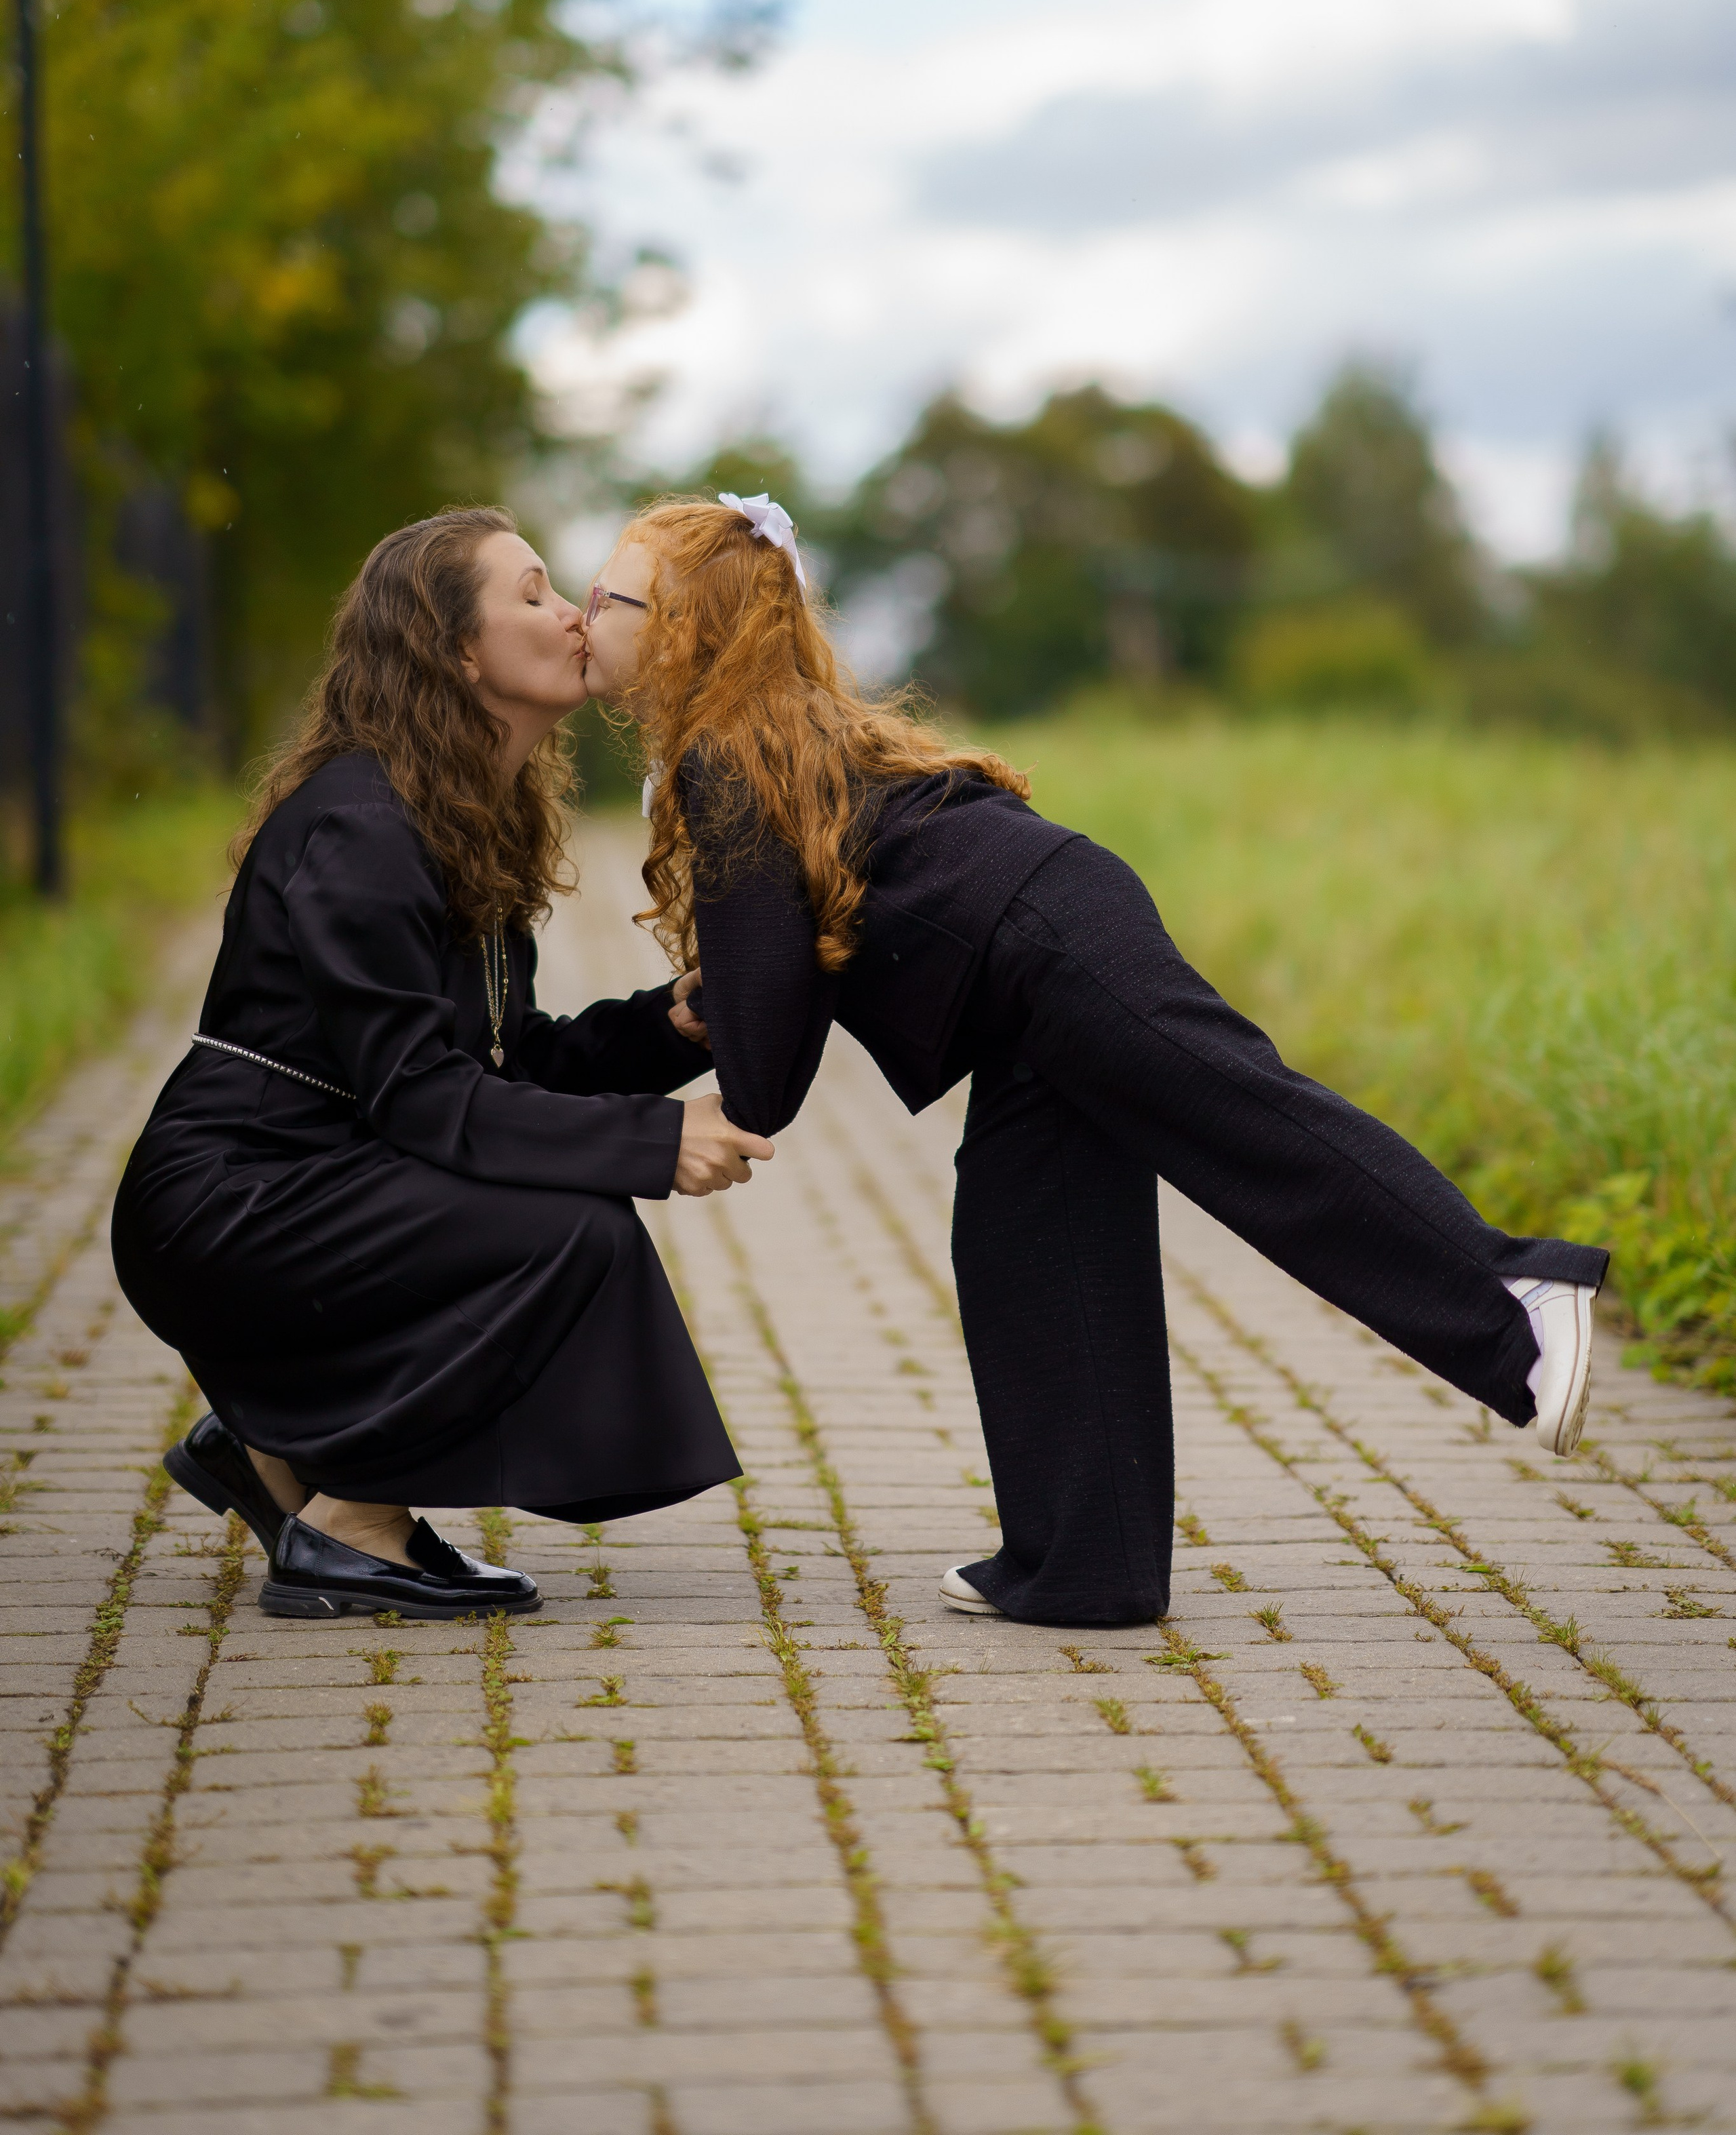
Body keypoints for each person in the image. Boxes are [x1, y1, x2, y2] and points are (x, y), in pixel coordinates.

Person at [578, 490, 1610, 1631]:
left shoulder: (728, 755)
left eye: (605, 595)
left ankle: (1517, 1291)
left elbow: (772, 1036)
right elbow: (783, 973)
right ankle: (1088, 1563)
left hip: (1050, 938)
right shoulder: (753, 738)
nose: (585, 614)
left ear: (681, 625)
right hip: (1023, 975)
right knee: (1028, 1238)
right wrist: (698, 1025)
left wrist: (715, 1092)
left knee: (1245, 1127)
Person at [113, 507, 771, 1622]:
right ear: (455, 651)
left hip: (310, 1172)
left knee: (558, 1207)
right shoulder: (363, 825)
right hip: (230, 1201)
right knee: (571, 1229)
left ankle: (281, 1448)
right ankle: (354, 1516)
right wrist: (655, 1143)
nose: (572, 613)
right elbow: (427, 1099)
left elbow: (505, 1059)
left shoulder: (454, 809)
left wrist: (669, 1028)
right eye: (531, 595)